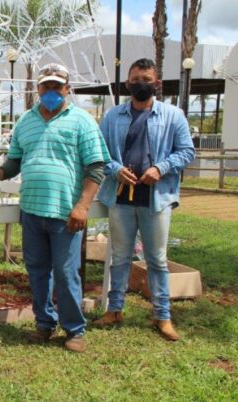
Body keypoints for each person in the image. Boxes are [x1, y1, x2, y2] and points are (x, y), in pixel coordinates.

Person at [0, 63, 109, 353]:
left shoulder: (82, 121)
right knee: (36, 271)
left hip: (65, 214)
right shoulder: (26, 122)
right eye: (46, 86)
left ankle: (74, 330)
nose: (51, 91)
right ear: (37, 89)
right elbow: (15, 161)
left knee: (67, 272)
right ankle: (45, 324)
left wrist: (82, 206)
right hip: (31, 211)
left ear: (67, 89)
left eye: (58, 86)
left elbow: (97, 168)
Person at [94, 58, 195, 341]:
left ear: (157, 84)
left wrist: (160, 168)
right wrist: (115, 169)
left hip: (156, 200)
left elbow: (187, 151)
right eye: (136, 79)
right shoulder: (113, 116)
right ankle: (115, 310)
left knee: (157, 259)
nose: (141, 84)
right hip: (121, 198)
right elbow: (100, 153)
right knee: (120, 257)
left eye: (147, 79)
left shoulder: (173, 116)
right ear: (128, 84)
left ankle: (162, 316)